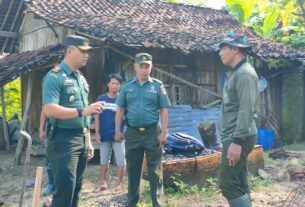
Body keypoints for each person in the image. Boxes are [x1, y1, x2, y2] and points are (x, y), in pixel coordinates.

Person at [42, 35, 104, 207]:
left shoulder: (81, 78)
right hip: (63, 140)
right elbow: (49, 109)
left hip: (81, 139)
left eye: (88, 52)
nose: (87, 55)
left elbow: (84, 114)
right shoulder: (54, 77)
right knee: (64, 192)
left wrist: (88, 141)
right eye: (83, 51)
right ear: (69, 51)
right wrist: (82, 111)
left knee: (76, 190)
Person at [115, 53, 171, 207]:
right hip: (132, 133)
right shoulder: (127, 87)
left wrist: (164, 132)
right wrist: (117, 130)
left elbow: (164, 110)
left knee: (155, 172)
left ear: (151, 67)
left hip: (152, 132)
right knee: (133, 170)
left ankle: (158, 204)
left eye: (147, 66)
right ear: (135, 67)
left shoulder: (157, 86)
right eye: (142, 66)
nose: (144, 70)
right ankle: (132, 203)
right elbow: (120, 109)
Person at [216, 31, 259, 207]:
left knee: (227, 183)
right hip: (235, 135)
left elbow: (246, 110)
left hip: (238, 136)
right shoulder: (236, 73)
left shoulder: (244, 74)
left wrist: (237, 141)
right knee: (239, 181)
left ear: (234, 49)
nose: (220, 53)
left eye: (223, 48)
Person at [94, 73, 126, 193]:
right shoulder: (101, 99)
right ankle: (103, 183)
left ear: (120, 86)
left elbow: (126, 117)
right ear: (108, 84)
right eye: (112, 83)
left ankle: (119, 185)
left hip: (118, 136)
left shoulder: (123, 99)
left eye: (117, 84)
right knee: (103, 160)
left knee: (121, 160)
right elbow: (97, 118)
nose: (115, 86)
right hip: (104, 135)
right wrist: (97, 134)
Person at [38, 108, 56, 197]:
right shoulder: (51, 94)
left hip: (68, 131)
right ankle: (51, 185)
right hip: (52, 128)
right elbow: (44, 110)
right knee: (49, 159)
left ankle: (61, 186)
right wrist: (41, 129)